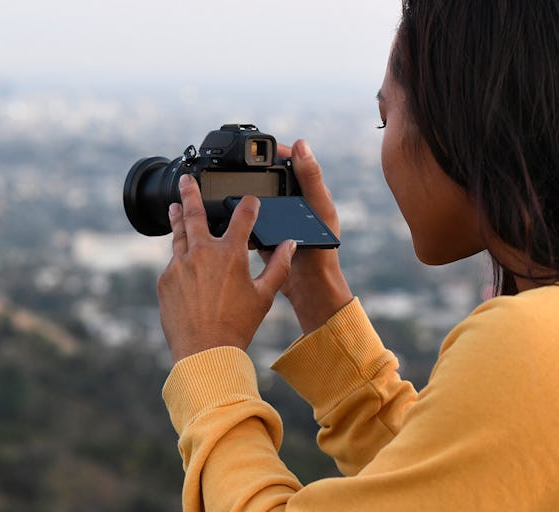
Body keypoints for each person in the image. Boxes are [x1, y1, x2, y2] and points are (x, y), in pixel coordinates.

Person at [156, 0, 559, 509]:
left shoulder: (530, 345)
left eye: (383, 120)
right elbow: (440, 485)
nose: (384, 145)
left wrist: (208, 359)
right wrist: (317, 292)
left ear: (463, 121)